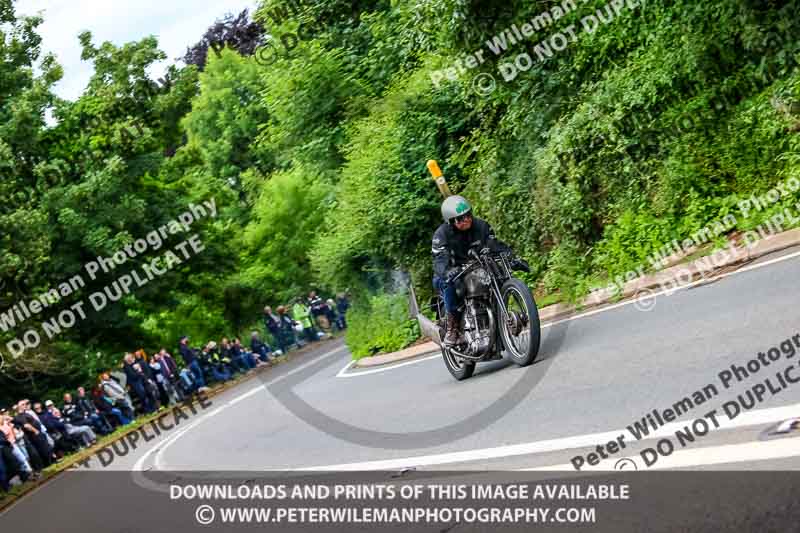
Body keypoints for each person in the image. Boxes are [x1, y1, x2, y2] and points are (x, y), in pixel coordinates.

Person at [432, 195, 528, 345]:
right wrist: (447, 271)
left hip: (477, 266)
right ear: (451, 221)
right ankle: (453, 328)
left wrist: (513, 258)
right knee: (449, 284)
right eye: (461, 218)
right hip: (452, 271)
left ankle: (497, 317)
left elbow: (495, 245)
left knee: (498, 272)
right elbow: (440, 261)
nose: (467, 220)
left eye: (468, 215)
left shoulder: (481, 226)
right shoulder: (441, 235)